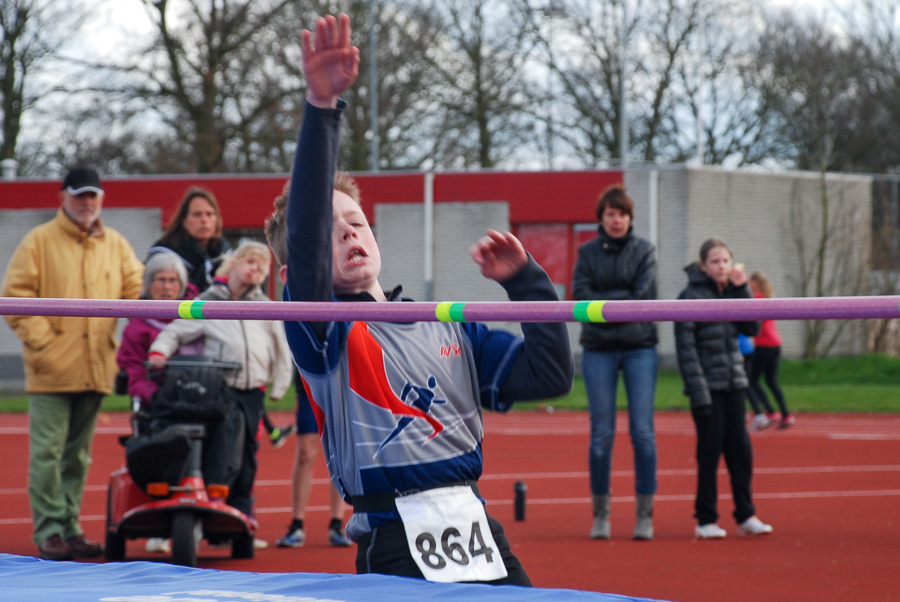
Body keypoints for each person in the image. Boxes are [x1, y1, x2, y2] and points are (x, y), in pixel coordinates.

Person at [263, 13, 573, 585]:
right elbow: (304, 237)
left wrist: (526, 283)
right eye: (333, 230)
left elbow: (551, 375)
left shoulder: (448, 326)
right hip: (393, 542)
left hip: (478, 530)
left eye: (356, 223)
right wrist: (321, 109)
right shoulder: (322, 331)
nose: (349, 234)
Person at [1, 166, 144, 561]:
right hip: (51, 370)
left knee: (77, 456)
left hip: (95, 367)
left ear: (101, 200)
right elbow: (15, 297)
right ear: (62, 197)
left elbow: (139, 290)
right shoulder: (39, 241)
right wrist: (45, 343)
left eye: (93, 196)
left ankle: (69, 527)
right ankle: (49, 530)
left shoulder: (115, 244)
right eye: (79, 195)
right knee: (47, 452)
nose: (86, 203)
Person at [148, 241, 293, 523]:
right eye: (251, 262)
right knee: (224, 448)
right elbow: (176, 329)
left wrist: (281, 383)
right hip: (221, 389)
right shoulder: (208, 301)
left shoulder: (265, 307)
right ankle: (216, 503)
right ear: (234, 263)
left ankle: (242, 510)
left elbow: (281, 347)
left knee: (250, 450)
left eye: (262, 267)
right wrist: (159, 351)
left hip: (254, 392)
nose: (257, 270)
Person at [571, 184, 659, 541]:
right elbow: (581, 297)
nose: (617, 220)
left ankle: (644, 515)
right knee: (601, 435)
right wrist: (616, 308)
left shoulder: (645, 251)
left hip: (640, 348)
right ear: (601, 218)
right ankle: (602, 514)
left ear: (629, 217)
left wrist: (604, 307)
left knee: (642, 432)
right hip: (599, 349)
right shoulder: (587, 253)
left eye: (621, 214)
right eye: (610, 214)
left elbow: (643, 298)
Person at [674, 237, 773, 539]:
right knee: (709, 453)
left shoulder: (734, 292)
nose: (721, 266)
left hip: (735, 384)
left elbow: (752, 328)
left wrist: (743, 289)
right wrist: (699, 393)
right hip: (707, 388)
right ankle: (706, 519)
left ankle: (746, 515)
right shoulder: (689, 297)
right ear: (703, 265)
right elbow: (686, 351)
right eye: (715, 261)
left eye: (726, 261)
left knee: (740, 452)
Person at [116, 252, 203, 555]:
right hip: (157, 404)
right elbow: (133, 372)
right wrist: (159, 395)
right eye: (160, 280)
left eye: (172, 281)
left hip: (195, 398)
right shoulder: (136, 327)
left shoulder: (195, 315)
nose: (166, 287)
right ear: (148, 285)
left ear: (181, 286)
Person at [276, 368, 351, 548]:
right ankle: (297, 524)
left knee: (338, 452)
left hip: (339, 385)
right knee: (305, 453)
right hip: (308, 383)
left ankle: (336, 523)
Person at [146, 186, 231, 295]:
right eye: (197, 214)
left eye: (209, 214)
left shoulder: (226, 254)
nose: (204, 220)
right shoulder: (164, 253)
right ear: (183, 220)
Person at [749, 270, 794, 429]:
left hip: (764, 344)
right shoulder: (768, 298)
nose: (748, 284)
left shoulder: (757, 299)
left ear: (756, 283)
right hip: (775, 343)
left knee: (751, 380)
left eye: (750, 281)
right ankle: (786, 415)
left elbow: (754, 325)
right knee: (771, 381)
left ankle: (770, 412)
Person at [740, 333, 773, 431]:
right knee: (745, 383)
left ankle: (758, 415)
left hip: (740, 350)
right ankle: (746, 413)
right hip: (747, 348)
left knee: (744, 384)